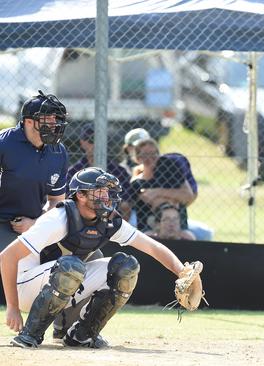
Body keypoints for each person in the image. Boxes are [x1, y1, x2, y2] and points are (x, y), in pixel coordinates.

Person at [0, 167, 190, 349]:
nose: (106, 196)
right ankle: (29, 335)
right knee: (72, 267)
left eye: (107, 191)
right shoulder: (58, 218)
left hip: (60, 277)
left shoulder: (108, 220)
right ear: (80, 195)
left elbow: (153, 247)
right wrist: (13, 308)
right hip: (24, 286)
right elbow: (7, 257)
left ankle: (82, 335)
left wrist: (182, 273)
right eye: (98, 191)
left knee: (126, 267)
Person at [0, 90, 69, 251]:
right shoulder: (4, 144)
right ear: (29, 122)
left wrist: (36, 223)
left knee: (80, 260)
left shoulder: (59, 151)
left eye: (56, 118)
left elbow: (56, 201)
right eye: (48, 118)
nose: (54, 123)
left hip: (36, 223)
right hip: (3, 222)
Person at [68, 124, 134, 219]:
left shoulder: (119, 171)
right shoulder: (74, 172)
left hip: (112, 217)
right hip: (82, 217)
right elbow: (68, 201)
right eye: (91, 140)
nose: (96, 144)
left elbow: (126, 204)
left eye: (99, 141)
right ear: (82, 143)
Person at [130, 138, 196, 232]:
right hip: (149, 229)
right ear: (138, 158)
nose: (150, 158)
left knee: (189, 237)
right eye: (145, 154)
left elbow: (188, 196)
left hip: (179, 229)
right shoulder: (137, 183)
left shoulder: (171, 171)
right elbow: (150, 199)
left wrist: (156, 192)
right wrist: (174, 197)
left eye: (153, 154)